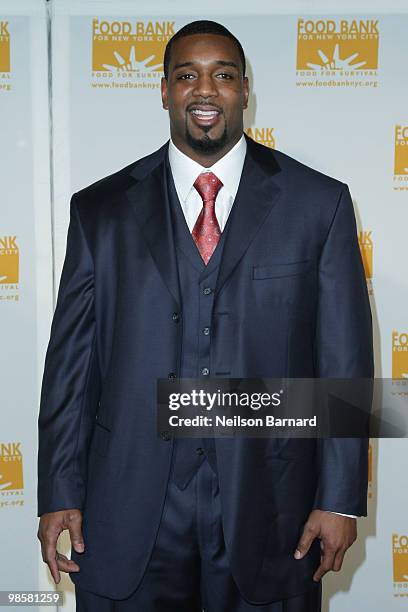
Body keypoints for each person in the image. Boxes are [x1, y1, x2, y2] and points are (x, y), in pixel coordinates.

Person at [37, 20, 374, 612]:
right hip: (128, 507)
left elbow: (345, 360)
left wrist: (340, 499)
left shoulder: (319, 203)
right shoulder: (99, 211)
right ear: (164, 91)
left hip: (272, 506)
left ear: (245, 90)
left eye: (223, 75)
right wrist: (58, 489)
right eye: (187, 75)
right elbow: (70, 367)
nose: (205, 90)